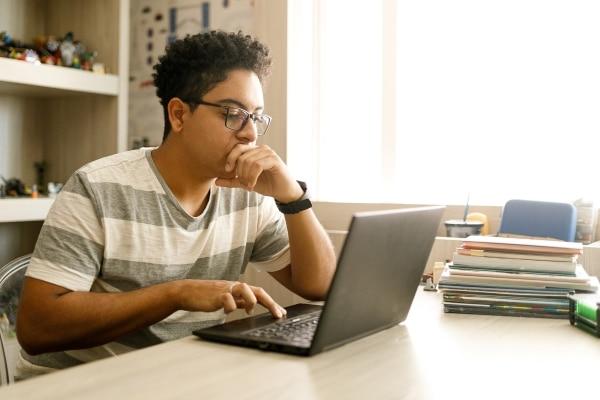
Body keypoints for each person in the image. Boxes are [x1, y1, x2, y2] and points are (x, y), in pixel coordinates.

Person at [16, 31, 336, 379]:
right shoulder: (98, 188)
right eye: (233, 113)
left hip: (177, 379)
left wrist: (292, 198)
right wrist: (176, 294)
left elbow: (318, 285)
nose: (250, 134)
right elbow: (37, 329)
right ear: (179, 115)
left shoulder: (247, 196)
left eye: (255, 117)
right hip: (81, 386)